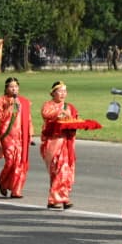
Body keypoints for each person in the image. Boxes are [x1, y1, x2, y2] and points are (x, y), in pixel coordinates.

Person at [41, 81, 81, 209]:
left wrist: (72, 119)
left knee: (64, 170)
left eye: (65, 91)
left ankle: (61, 198)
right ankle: (56, 199)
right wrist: (59, 113)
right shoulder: (48, 105)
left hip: (66, 142)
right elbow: (46, 114)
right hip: (53, 142)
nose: (63, 94)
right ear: (53, 93)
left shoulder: (70, 107)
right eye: (60, 91)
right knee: (56, 171)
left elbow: (75, 120)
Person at [0, 77, 32, 199]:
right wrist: (10, 106)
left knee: (20, 162)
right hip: (7, 135)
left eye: (16, 86)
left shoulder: (24, 101)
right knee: (10, 161)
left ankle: (16, 190)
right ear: (6, 88)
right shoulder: (2, 100)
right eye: (11, 87)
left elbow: (28, 119)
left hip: (20, 136)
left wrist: (30, 134)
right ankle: (2, 181)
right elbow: (1, 117)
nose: (14, 89)